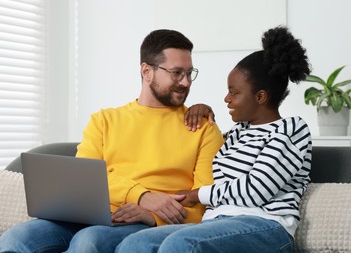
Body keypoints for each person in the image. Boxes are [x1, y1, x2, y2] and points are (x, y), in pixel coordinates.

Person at [0, 29, 224, 253]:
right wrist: (142, 195)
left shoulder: (204, 128)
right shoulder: (104, 120)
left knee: (89, 241)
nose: (185, 82)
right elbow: (83, 179)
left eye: (189, 73)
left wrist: (152, 215)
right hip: (88, 215)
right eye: (176, 73)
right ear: (147, 71)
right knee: (16, 238)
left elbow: (204, 200)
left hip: (141, 222)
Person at [115, 26, 312, 253]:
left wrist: (198, 194)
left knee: (181, 244)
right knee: (136, 243)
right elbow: (209, 147)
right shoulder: (237, 133)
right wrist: (202, 109)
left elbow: (256, 189)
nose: (226, 99)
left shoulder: (291, 130)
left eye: (234, 92)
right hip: (216, 223)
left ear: (260, 97)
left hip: (265, 226)